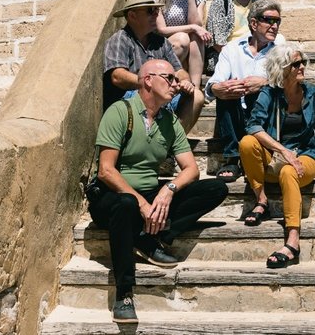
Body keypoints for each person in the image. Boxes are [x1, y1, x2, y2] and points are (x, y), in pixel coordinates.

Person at [87, 58, 229, 323]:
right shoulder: (120, 112)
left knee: (216, 188)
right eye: (169, 78)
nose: (176, 84)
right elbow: (106, 171)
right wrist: (142, 204)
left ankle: (147, 236)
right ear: (148, 80)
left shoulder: (169, 120)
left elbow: (191, 169)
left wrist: (168, 190)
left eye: (176, 79)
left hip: (150, 195)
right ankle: (124, 293)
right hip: (112, 197)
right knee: (128, 204)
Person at [240, 41, 315, 269]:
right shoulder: (269, 93)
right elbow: (253, 126)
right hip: (276, 158)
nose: (302, 66)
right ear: (283, 68)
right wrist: (283, 150)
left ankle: (293, 241)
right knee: (247, 143)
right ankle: (262, 200)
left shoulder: (311, 93)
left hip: (303, 157)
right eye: (296, 64)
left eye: (303, 62)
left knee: (288, 172)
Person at [103, 0, 202, 133]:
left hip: (160, 96)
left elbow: (179, 70)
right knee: (153, 93)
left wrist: (185, 81)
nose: (156, 14)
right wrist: (151, 83)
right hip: (131, 98)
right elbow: (117, 76)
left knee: (196, 96)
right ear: (132, 16)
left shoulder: (161, 42)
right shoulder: (120, 39)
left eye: (156, 10)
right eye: (150, 11)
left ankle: (172, 141)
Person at [203, 0, 281, 182]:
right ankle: (232, 157)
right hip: (236, 111)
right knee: (227, 89)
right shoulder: (232, 49)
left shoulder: (280, 52)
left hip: (264, 114)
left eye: (277, 21)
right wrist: (218, 88)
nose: (274, 26)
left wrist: (264, 82)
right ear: (254, 23)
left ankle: (255, 155)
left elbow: (290, 84)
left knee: (262, 91)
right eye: (269, 20)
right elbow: (215, 81)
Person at [152, 0, 213, 106]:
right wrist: (192, 27)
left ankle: (195, 88)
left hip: (188, 51)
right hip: (164, 46)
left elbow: (197, 24)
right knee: (183, 37)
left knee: (196, 36)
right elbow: (161, 29)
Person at [204, 0, 266, 74]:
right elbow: (217, 42)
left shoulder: (258, 1)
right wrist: (240, 59)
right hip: (227, 55)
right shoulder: (221, 0)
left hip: (253, 53)